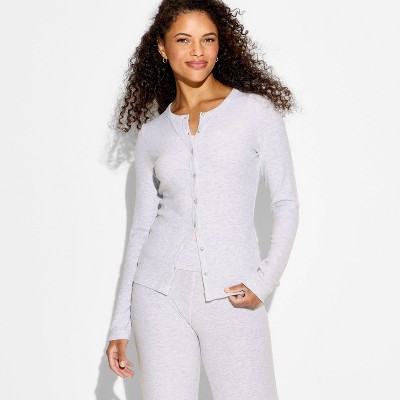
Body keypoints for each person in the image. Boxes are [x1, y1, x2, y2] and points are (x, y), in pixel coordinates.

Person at [106, 0, 300, 399]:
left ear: (219, 45)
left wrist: (264, 280)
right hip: (157, 295)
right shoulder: (153, 134)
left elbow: (286, 203)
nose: (197, 51)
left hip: (231, 294)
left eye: (207, 39)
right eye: (183, 39)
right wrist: (120, 324)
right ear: (162, 48)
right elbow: (141, 228)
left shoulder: (254, 113)